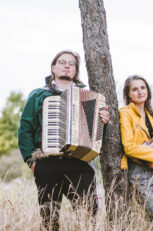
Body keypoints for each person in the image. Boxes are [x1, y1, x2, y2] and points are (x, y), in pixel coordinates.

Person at [17, 50, 110, 230]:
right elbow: (25, 129)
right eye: (62, 62)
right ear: (53, 68)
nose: (67, 65)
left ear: (75, 71)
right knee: (49, 217)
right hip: (47, 162)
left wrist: (103, 123)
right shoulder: (38, 95)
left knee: (88, 214)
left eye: (72, 63)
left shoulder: (89, 97)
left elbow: (97, 139)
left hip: (79, 162)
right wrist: (32, 161)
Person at [119, 75, 153, 225]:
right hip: (140, 171)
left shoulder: (151, 115)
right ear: (128, 94)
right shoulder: (125, 113)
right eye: (134, 89)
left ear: (147, 90)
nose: (140, 92)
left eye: (142, 88)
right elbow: (128, 147)